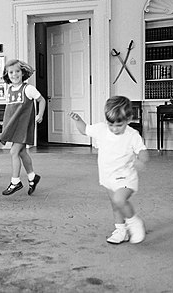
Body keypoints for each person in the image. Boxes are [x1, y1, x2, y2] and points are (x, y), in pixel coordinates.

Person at [68, 96, 148, 244]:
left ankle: (134, 223)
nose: (114, 129)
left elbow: (143, 151)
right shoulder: (101, 129)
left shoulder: (132, 135)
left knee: (119, 199)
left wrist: (141, 160)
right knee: (116, 205)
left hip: (126, 176)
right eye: (111, 124)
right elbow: (85, 129)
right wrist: (78, 119)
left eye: (119, 125)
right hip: (108, 177)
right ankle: (121, 230)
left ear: (129, 119)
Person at [0, 59, 46, 196]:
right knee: (22, 152)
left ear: (23, 72)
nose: (14, 74)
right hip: (14, 127)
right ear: (7, 75)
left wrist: (40, 114)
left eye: (17, 71)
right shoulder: (9, 90)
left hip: (24, 127)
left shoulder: (28, 89)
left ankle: (15, 182)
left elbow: (41, 100)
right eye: (11, 72)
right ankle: (32, 177)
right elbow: (10, 111)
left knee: (14, 152)